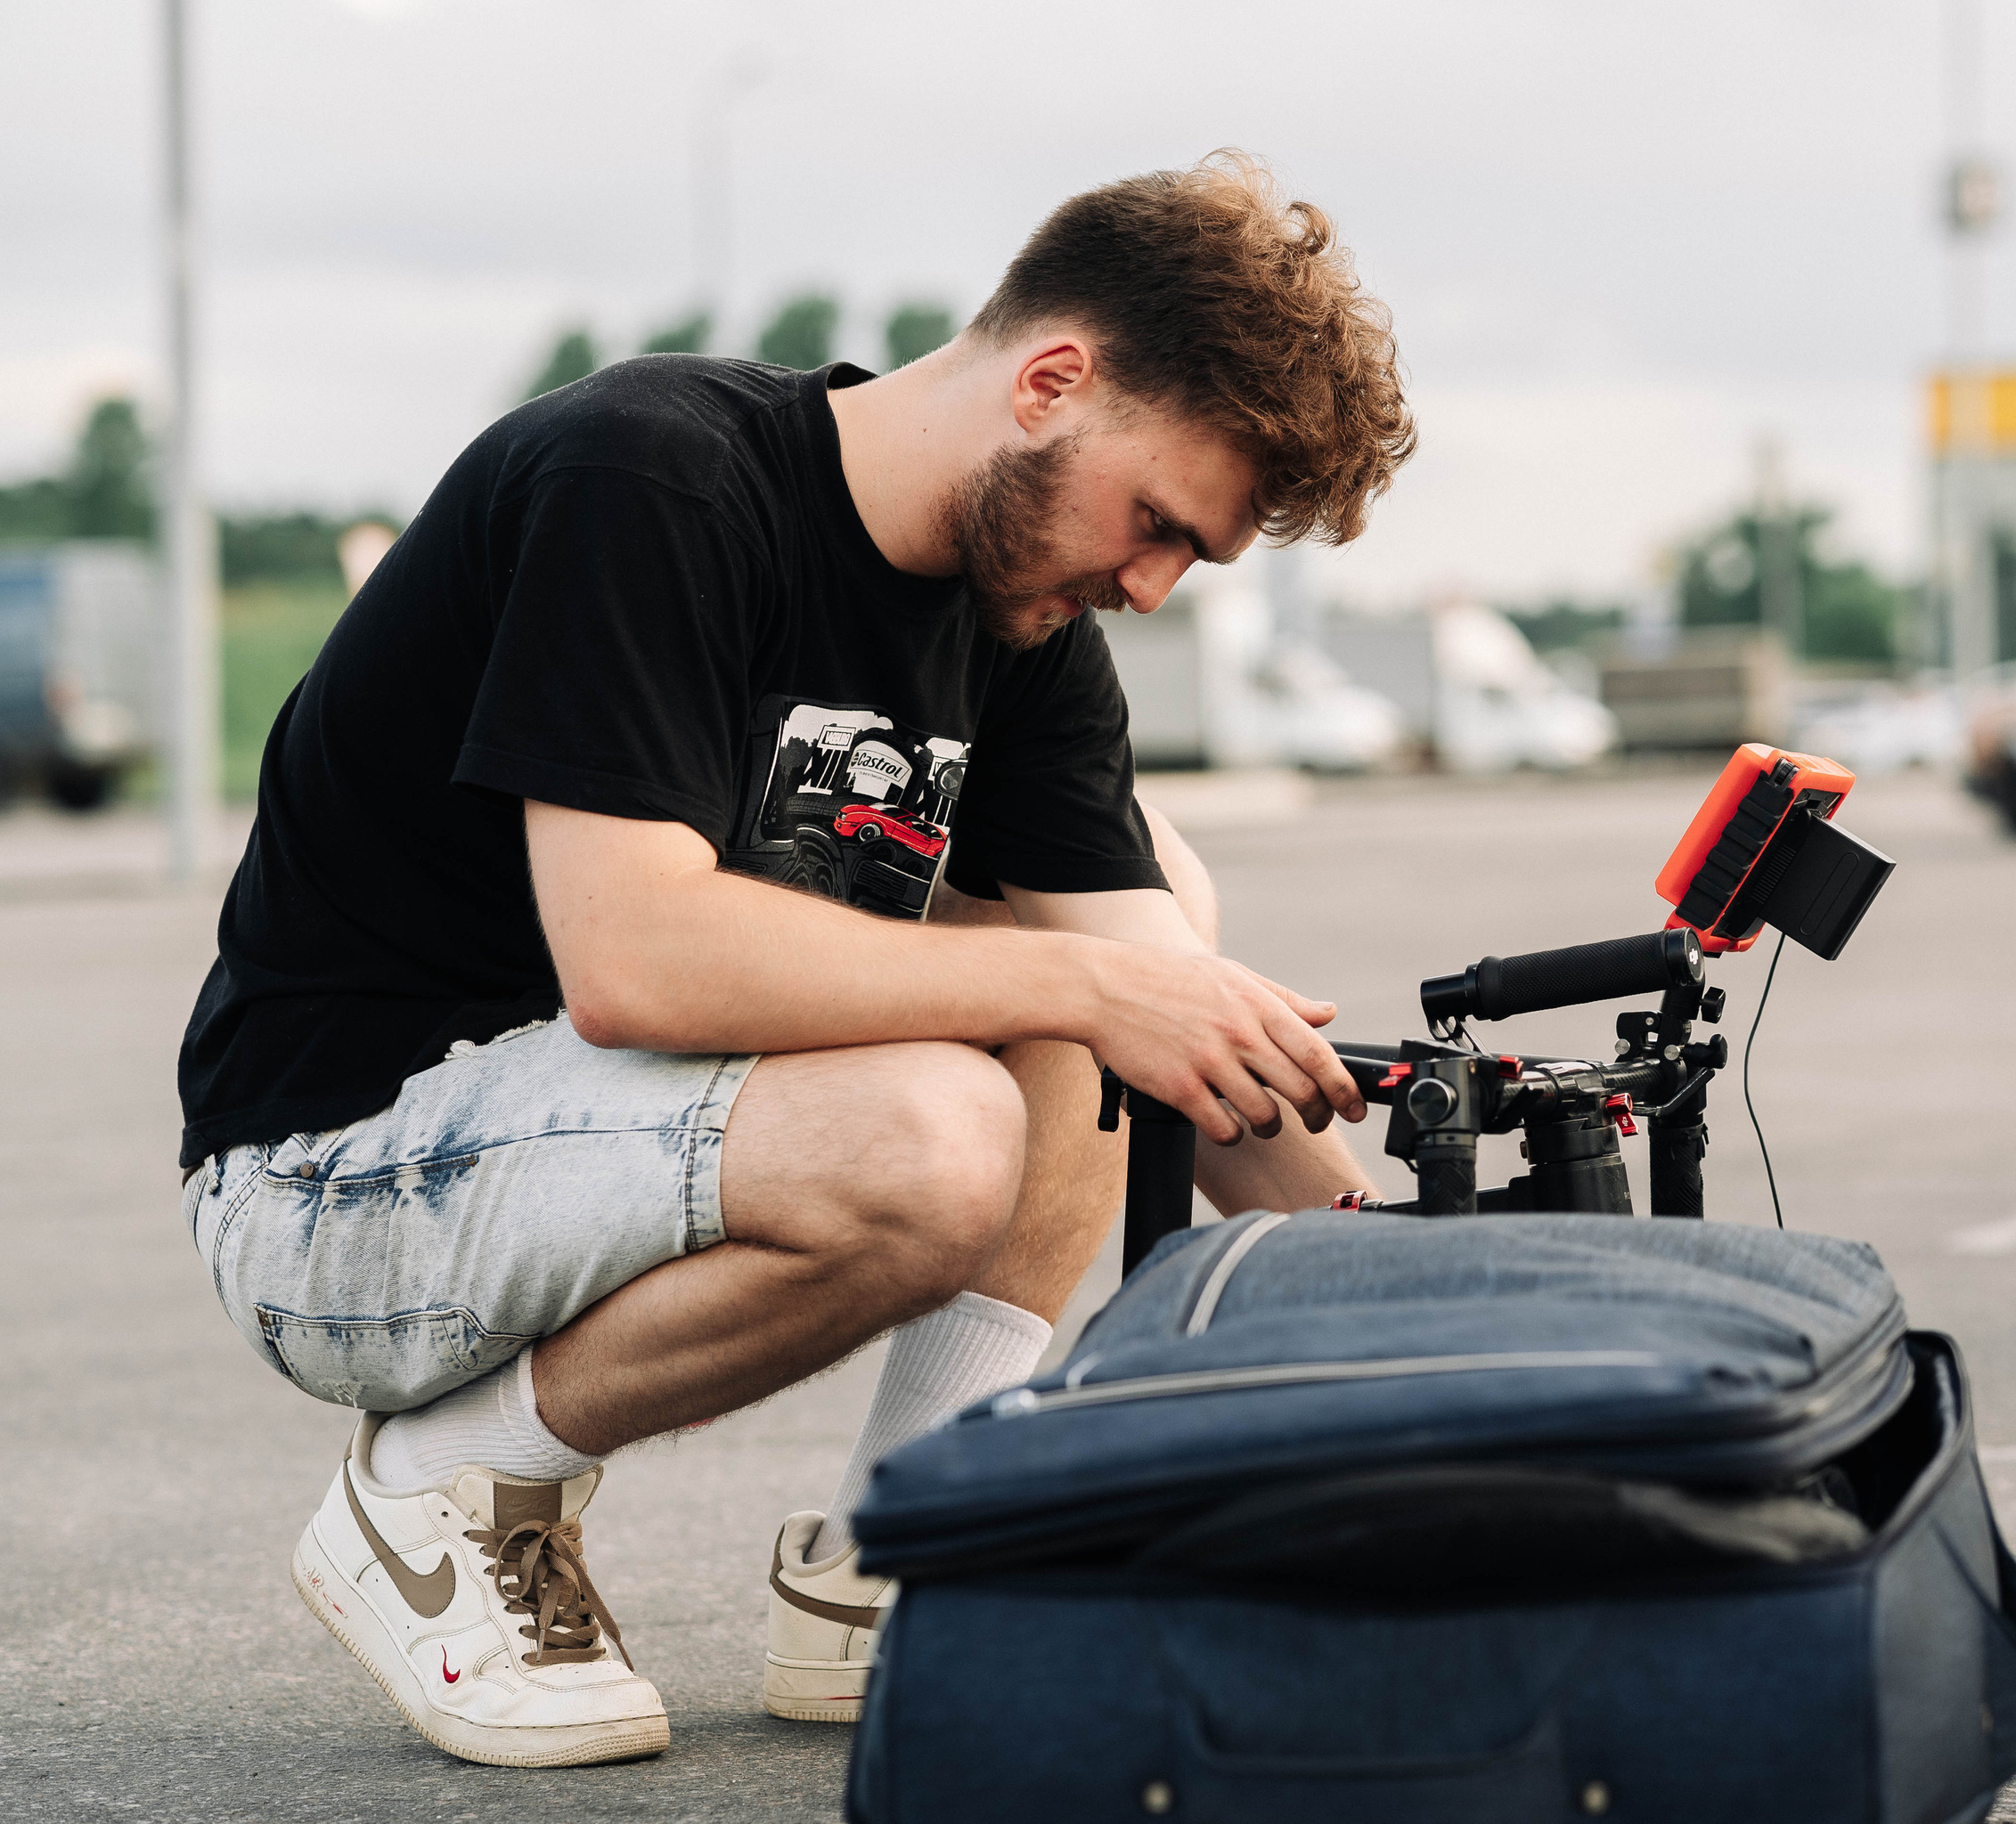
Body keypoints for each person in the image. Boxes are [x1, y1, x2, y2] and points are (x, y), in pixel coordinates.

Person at [176, 151, 1414, 1769]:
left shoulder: (1022, 620)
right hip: (334, 1184)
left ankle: (903, 1557)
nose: (1152, 586)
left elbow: (1167, 1010)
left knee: (1131, 917)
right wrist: (1093, 990)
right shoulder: (652, 479)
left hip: (602, 1142)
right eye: (1159, 524)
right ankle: (439, 1488)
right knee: (957, 1107)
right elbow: (636, 960)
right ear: (1052, 382)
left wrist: (1412, 1284)